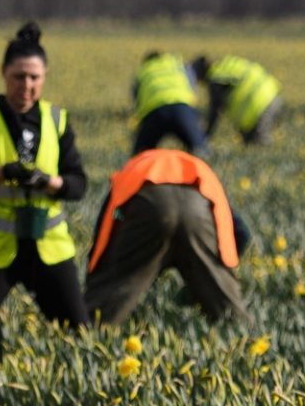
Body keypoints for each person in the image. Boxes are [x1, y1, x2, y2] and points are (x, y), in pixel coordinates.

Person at [0, 23, 90, 352]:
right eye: (19, 76)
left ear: (45, 76)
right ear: (3, 73)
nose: (27, 85)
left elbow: (78, 184)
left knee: (80, 338)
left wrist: (47, 182)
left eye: (35, 77)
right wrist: (4, 173)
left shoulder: (57, 119)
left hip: (48, 246)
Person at [82, 149, 252, 327]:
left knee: (103, 312)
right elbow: (242, 233)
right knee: (231, 316)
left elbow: (105, 230)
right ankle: (242, 332)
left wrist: (97, 282)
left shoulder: (132, 171)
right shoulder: (200, 171)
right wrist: (219, 270)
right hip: (199, 204)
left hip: (147, 200)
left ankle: (93, 327)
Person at [190, 53, 282, 145]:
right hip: (271, 93)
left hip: (260, 102)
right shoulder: (224, 68)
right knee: (251, 142)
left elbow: (215, 110)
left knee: (259, 142)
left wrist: (204, 137)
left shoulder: (216, 79)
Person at [130, 50, 207, 156]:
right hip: (182, 109)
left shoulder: (144, 70)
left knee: (140, 156)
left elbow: (136, 97)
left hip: (154, 113)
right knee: (200, 151)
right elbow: (191, 84)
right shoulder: (176, 64)